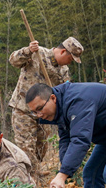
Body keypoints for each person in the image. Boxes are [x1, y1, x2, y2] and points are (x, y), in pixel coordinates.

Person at [7, 37, 84, 173]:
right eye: (70, 58)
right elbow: (13, 60)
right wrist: (27, 51)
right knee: (26, 147)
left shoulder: (63, 70)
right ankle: (30, 180)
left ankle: (35, 171)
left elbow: (65, 92)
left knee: (41, 147)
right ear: (62, 52)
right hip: (23, 110)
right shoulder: (37, 53)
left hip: (45, 114)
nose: (70, 62)